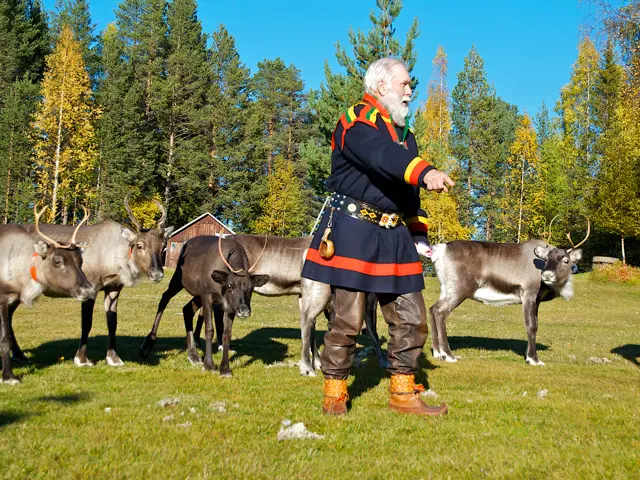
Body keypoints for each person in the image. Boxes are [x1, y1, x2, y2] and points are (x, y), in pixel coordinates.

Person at [301, 57, 454, 416]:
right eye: (403, 84)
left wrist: (417, 232)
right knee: (348, 320)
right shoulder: (357, 120)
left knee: (412, 317)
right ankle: (334, 394)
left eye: (409, 85)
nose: (409, 90)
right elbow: (379, 156)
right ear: (382, 86)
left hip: (394, 234)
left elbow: (405, 191)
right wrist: (424, 170)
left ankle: (403, 393)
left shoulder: (405, 136)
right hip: (354, 229)